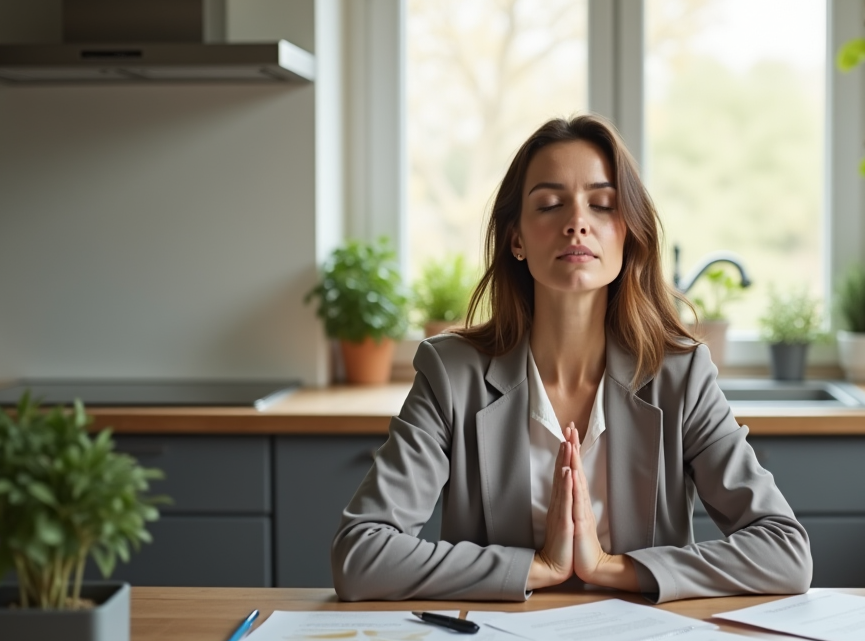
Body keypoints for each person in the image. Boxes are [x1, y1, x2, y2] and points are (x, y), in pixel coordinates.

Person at [332, 114, 811, 603]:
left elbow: (785, 553)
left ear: (628, 235)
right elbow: (360, 556)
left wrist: (611, 568)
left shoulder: (680, 375)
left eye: (602, 205)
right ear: (516, 238)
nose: (577, 222)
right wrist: (537, 568)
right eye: (550, 204)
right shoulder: (451, 373)